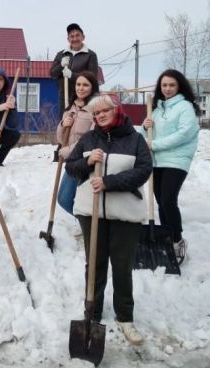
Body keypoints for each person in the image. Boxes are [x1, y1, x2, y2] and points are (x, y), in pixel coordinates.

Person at [65, 95, 152, 346]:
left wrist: (109, 183)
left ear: (116, 110)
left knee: (122, 266)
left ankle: (125, 317)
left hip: (125, 213)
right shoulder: (89, 139)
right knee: (94, 264)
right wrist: (86, 161)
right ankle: (92, 312)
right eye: (97, 113)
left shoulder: (134, 139)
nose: (101, 115)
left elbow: (144, 170)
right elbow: (71, 167)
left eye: (105, 111)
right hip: (90, 212)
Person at [141, 69, 200, 264]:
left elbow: (185, 134)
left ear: (179, 86)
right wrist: (144, 126)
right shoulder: (156, 110)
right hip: (157, 161)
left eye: (172, 85)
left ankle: (178, 239)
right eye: (164, 85)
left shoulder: (185, 107)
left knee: (168, 200)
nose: (167, 89)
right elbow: (145, 138)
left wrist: (155, 145)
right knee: (160, 202)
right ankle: (167, 237)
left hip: (177, 160)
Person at [56, 71, 99, 214]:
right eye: (78, 84)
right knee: (64, 199)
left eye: (85, 85)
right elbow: (61, 139)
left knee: (67, 198)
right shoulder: (70, 108)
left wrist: (70, 151)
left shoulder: (96, 109)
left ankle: (91, 229)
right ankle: (87, 226)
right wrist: (63, 124)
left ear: (92, 87)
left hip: (87, 160)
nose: (81, 88)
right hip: (73, 161)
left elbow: (93, 137)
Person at [50, 23, 99, 116]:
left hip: (84, 99)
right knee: (64, 124)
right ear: (68, 39)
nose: (75, 39)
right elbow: (52, 74)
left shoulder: (90, 55)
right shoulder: (61, 54)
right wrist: (61, 65)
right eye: (72, 36)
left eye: (77, 35)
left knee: (81, 125)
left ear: (83, 37)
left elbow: (92, 78)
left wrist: (71, 75)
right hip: (65, 98)